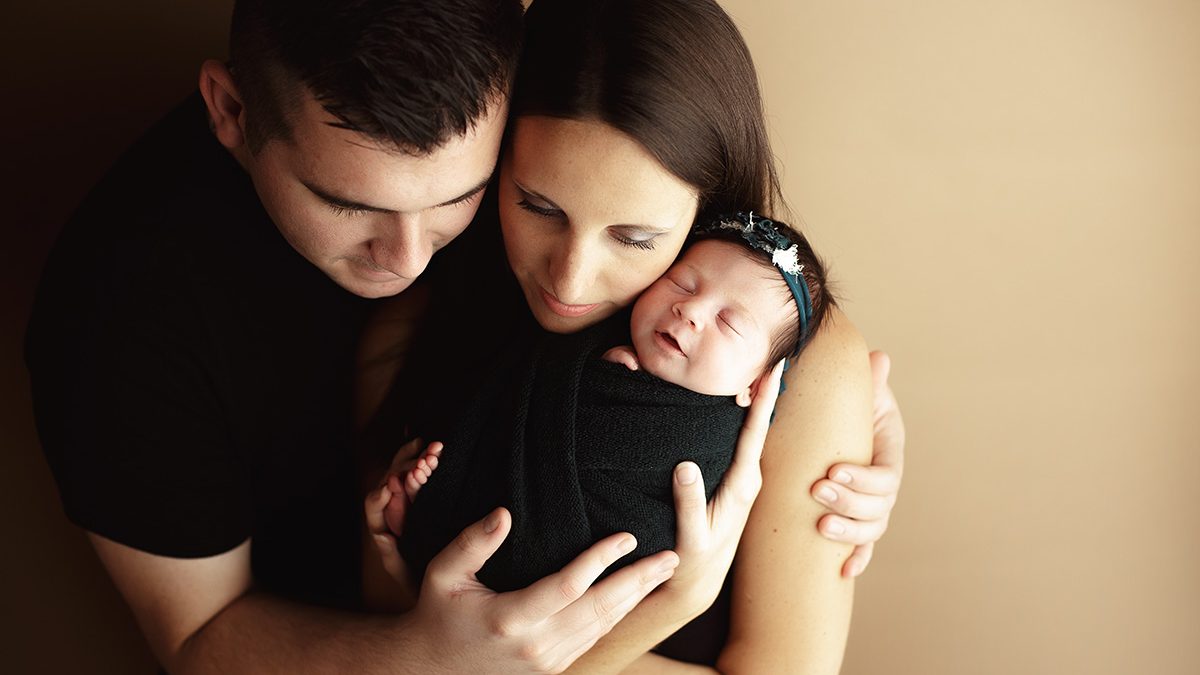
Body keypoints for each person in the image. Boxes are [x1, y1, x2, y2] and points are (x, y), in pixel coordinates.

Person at [25, 0, 901, 672]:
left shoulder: (785, 355)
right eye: (348, 202)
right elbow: (213, 635)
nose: (408, 257)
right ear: (230, 110)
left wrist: (840, 418)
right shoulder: (137, 315)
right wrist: (435, 650)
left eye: (458, 198)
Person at [360, 1, 895, 670]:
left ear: (708, 212)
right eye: (537, 205)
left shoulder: (803, 368)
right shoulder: (414, 323)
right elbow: (388, 625)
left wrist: (669, 603)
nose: (571, 277)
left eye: (635, 237)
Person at [379, 212, 835, 603]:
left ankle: (436, 531)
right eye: (682, 283)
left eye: (728, 322)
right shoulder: (592, 333)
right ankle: (433, 519)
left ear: (756, 385)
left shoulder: (716, 433)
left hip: (606, 543)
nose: (690, 310)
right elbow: (522, 391)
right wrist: (594, 375)